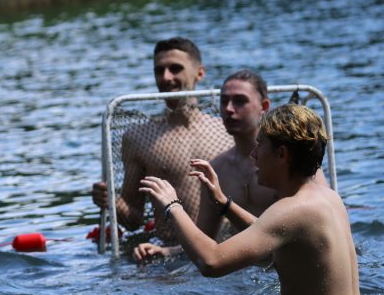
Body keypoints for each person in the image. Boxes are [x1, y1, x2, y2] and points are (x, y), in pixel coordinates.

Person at [139, 104, 361, 295]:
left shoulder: (291, 210)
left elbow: (211, 262)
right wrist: (223, 204)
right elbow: (271, 238)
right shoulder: (329, 198)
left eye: (260, 145)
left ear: (281, 154)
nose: (253, 154)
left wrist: (173, 206)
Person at [134, 70, 328, 260]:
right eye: (224, 101)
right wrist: (166, 252)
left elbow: (323, 228)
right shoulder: (217, 169)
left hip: (288, 262)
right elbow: (205, 238)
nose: (228, 108)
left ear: (264, 106)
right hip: (244, 266)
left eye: (240, 101)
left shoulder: (292, 164)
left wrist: (173, 206)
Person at [91, 38, 232, 253]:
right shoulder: (138, 137)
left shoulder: (228, 131)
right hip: (169, 255)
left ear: (199, 73)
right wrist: (110, 200)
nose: (166, 78)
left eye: (175, 69)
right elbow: (133, 220)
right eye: (159, 71)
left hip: (227, 249)